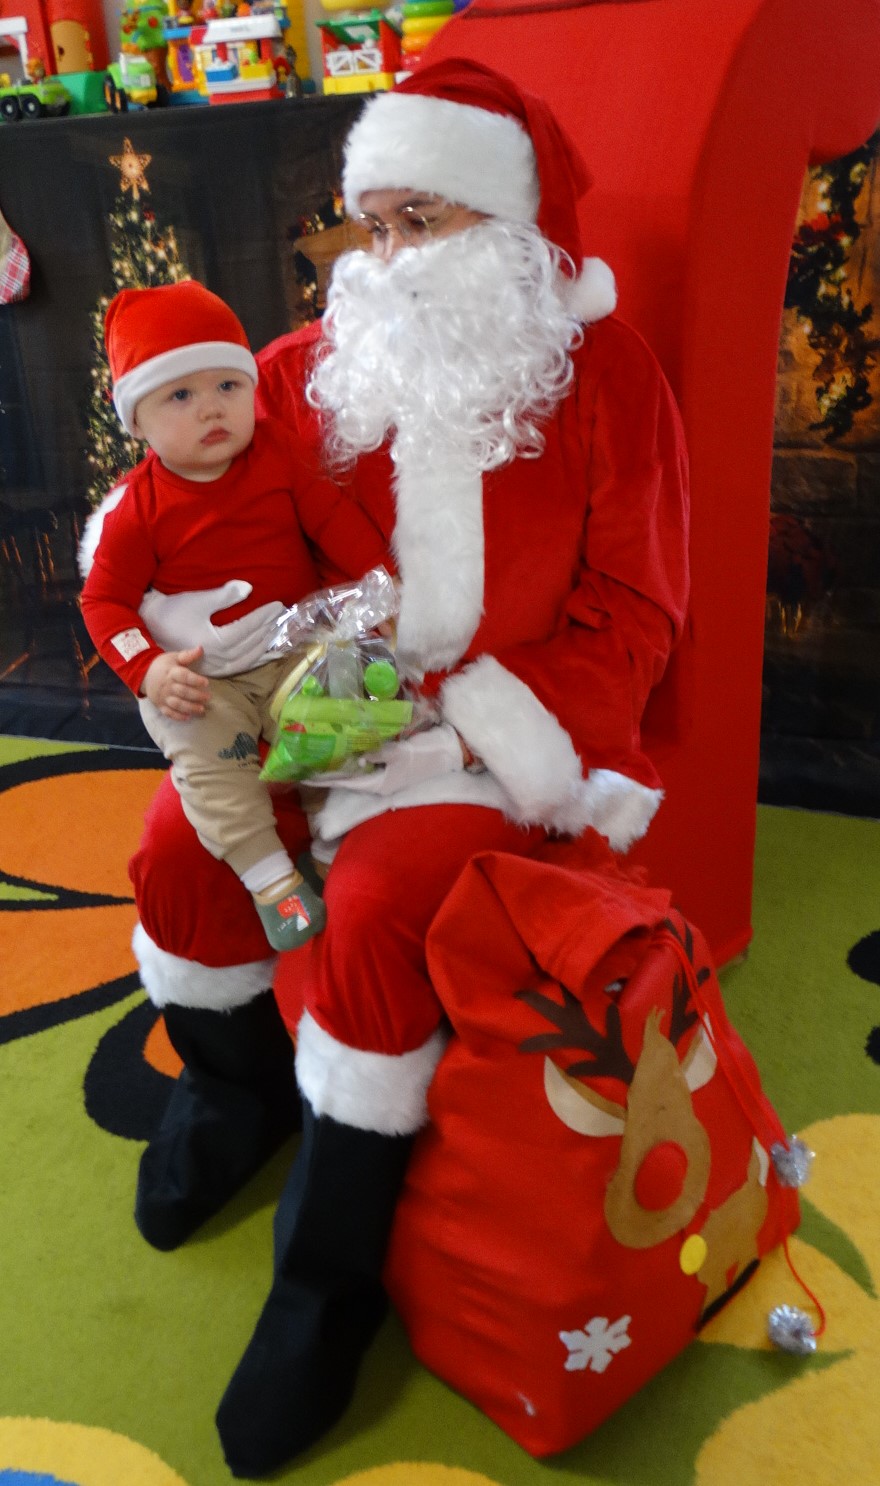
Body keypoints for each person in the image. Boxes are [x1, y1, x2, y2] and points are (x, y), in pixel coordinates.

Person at [115, 59, 689, 1478]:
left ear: (508, 219)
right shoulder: (300, 370)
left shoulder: (606, 372)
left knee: (372, 910)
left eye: (419, 220)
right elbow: (189, 514)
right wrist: (191, 645)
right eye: (371, 224)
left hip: (493, 725)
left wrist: (484, 713)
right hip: (317, 698)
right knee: (177, 845)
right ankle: (236, 1088)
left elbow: (638, 608)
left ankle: (327, 1280)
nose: (385, 257)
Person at [81, 280, 387, 957]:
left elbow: (330, 517)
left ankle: (333, 837)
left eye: (227, 385)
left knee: (350, 703)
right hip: (205, 678)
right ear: (137, 423)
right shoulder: (139, 510)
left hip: (293, 647)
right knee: (208, 762)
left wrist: (379, 579)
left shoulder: (275, 452)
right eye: (180, 396)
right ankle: (272, 880)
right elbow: (102, 603)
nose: (211, 408)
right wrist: (148, 669)